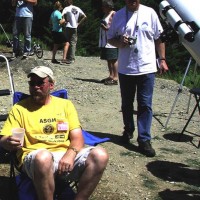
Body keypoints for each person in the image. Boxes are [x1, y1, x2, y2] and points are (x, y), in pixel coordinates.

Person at [0, 66, 109, 200]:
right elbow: (4, 140)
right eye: (32, 83)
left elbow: (78, 137)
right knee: (43, 157)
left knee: (100, 155)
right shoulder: (20, 108)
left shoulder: (65, 105)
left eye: (40, 83)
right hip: (35, 158)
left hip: (65, 157)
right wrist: (8, 142)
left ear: (51, 85)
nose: (35, 87)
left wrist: (70, 154)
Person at [107, 0, 169, 157]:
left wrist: (162, 59)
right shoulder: (119, 15)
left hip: (146, 67)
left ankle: (144, 139)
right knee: (126, 103)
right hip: (126, 69)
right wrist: (119, 42)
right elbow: (110, 38)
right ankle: (128, 131)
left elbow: (159, 37)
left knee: (145, 104)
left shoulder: (150, 13)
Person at [99, 0, 118, 85]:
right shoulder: (106, 14)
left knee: (113, 59)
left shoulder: (114, 14)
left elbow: (115, 27)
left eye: (104, 6)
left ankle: (115, 77)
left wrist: (106, 28)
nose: (102, 8)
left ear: (108, 7)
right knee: (108, 59)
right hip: (105, 40)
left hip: (111, 40)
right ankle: (111, 75)